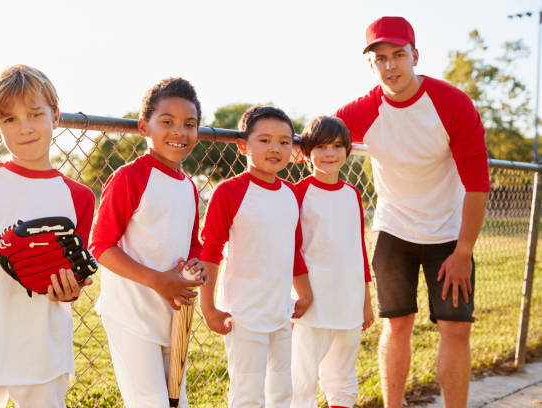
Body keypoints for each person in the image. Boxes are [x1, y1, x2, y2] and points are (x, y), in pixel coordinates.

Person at [334, 16, 490, 408]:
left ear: (414, 55)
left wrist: (463, 252)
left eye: (398, 55)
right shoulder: (361, 111)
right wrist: (260, 141)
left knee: (455, 329)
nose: (391, 66)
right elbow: (314, 139)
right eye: (381, 58)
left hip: (450, 233)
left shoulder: (451, 103)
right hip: (393, 230)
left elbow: (477, 185)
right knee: (397, 324)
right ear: (371, 64)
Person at [0, 64, 95, 408]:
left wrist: (70, 290)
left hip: (42, 353)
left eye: (35, 114)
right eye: (9, 119)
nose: (25, 128)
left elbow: (70, 278)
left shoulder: (79, 196)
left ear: (55, 116)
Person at [89, 77, 207, 408]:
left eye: (190, 124)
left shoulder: (189, 187)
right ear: (144, 127)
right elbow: (101, 245)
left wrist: (195, 265)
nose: (179, 132)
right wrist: (158, 280)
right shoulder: (130, 177)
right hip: (131, 313)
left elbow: (193, 245)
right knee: (149, 402)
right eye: (166, 122)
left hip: (173, 314)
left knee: (175, 401)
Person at [200, 106, 308, 408]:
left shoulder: (289, 194)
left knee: (283, 391)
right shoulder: (229, 192)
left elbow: (293, 249)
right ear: (243, 145)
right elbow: (210, 252)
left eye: (285, 142)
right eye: (265, 140)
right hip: (244, 315)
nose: (276, 148)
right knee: (248, 395)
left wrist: (304, 292)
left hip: (281, 312)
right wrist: (208, 306)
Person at [290, 116, 374, 408]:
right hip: (312, 300)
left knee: (342, 375)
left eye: (338, 146)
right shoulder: (297, 193)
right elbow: (292, 250)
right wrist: (298, 294)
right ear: (307, 152)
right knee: (302, 378)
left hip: (348, 297)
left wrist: (366, 298)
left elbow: (358, 249)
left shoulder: (352, 194)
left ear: (347, 150)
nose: (330, 154)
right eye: (322, 146)